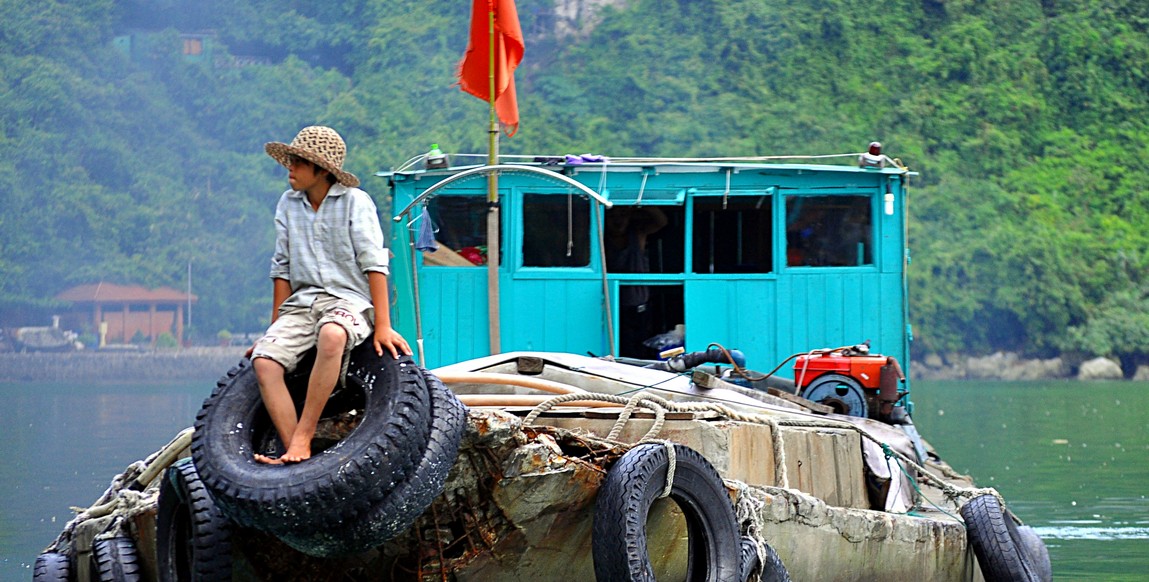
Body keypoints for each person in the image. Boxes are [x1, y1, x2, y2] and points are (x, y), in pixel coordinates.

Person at [246, 125, 411, 465]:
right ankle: (298, 456)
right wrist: (273, 330)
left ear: (321, 171)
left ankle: (303, 437)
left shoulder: (355, 202)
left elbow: (374, 264)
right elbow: (282, 269)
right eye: (290, 162)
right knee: (264, 361)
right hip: (303, 305)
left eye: (297, 164)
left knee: (333, 335)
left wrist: (383, 325)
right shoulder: (288, 205)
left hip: (347, 301)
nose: (289, 169)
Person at [605, 206, 667, 357]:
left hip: (638, 305)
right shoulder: (599, 239)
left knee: (639, 349)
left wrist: (638, 204)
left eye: (623, 215)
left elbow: (662, 221)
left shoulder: (637, 234)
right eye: (613, 216)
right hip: (610, 305)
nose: (618, 220)